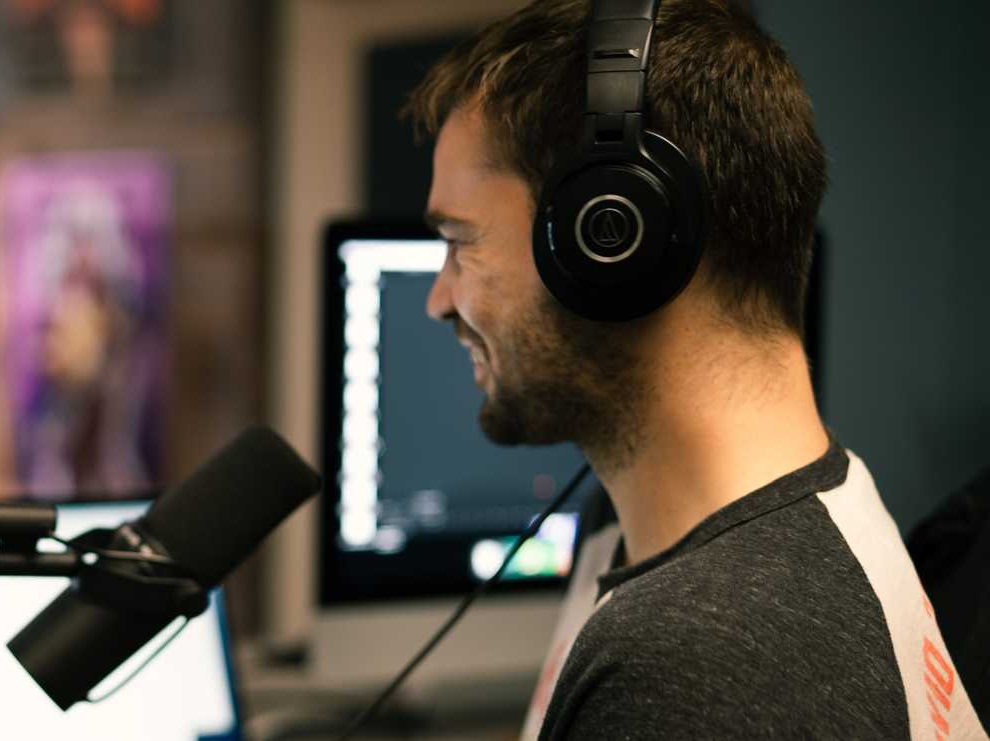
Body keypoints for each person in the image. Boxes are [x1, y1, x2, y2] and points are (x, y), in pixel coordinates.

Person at [406, 0, 987, 738]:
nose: (438, 299)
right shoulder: (812, 526)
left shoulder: (702, 660)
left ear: (609, 236)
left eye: (462, 242)